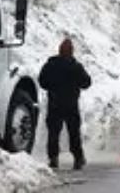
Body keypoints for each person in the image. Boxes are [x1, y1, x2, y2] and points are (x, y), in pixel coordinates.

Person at [37, 37, 92, 170]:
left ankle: (53, 158)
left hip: (54, 103)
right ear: (72, 52)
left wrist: (52, 88)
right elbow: (87, 82)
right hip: (71, 105)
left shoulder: (50, 65)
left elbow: (42, 81)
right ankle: (78, 159)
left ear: (59, 51)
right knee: (74, 132)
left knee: (53, 132)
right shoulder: (76, 66)